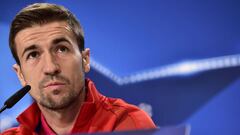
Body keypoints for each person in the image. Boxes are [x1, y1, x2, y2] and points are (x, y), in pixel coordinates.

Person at [2, 3, 156, 135]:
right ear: (21, 75)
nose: (50, 67)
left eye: (62, 49)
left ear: (85, 60)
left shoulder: (129, 126)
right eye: (33, 54)